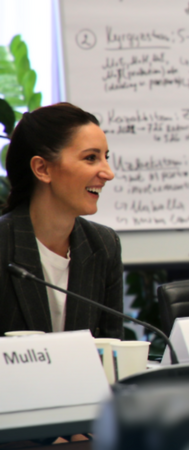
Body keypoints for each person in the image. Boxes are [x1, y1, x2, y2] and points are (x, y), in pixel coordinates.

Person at [0, 102, 122, 337]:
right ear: (42, 169)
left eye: (105, 157)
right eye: (90, 158)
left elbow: (111, 348)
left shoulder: (103, 245)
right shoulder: (3, 244)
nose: (108, 173)